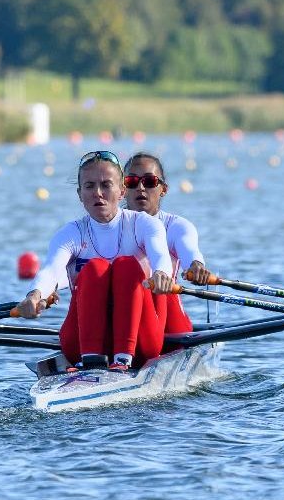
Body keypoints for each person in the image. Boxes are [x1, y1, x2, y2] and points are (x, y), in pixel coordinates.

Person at [17, 150, 175, 372]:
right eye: (89, 186)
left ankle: (122, 359)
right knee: (95, 268)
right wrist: (34, 295)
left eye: (106, 185)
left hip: (141, 342)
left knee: (126, 265)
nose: (98, 193)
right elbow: (51, 271)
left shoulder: (145, 224)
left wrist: (161, 274)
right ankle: (91, 359)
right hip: (81, 345)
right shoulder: (71, 233)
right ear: (80, 194)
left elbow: (161, 257)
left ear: (121, 191)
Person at [122, 151, 210, 334]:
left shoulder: (177, 226)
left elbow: (189, 250)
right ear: (122, 189)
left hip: (169, 323)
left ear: (164, 189)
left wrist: (195, 266)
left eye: (149, 181)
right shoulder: (108, 227)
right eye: (131, 181)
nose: (140, 188)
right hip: (122, 317)